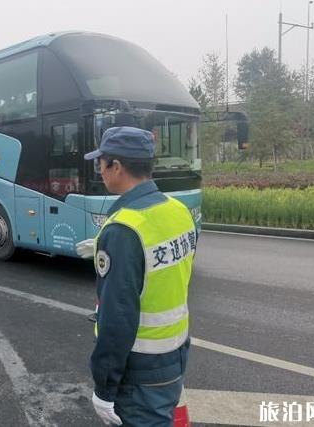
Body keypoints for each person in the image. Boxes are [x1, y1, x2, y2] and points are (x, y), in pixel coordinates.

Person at [76, 126, 196, 427]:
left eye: (101, 163)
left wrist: (104, 388)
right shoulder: (178, 210)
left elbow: (117, 320)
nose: (100, 171)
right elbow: (168, 271)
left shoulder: (124, 229)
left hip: (140, 373)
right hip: (175, 354)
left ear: (116, 166)